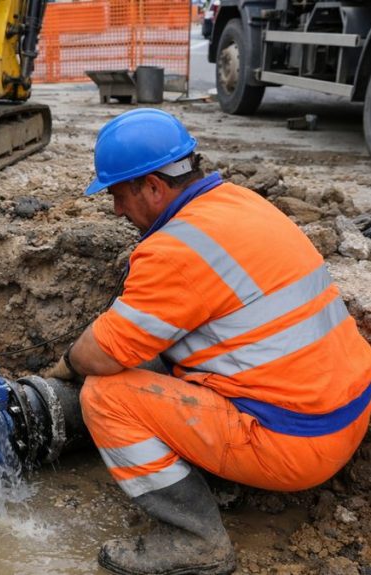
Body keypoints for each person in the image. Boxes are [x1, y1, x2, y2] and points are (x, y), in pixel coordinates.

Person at [47, 109, 371, 575]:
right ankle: (225, 479)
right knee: (162, 362)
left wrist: (66, 366)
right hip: (347, 411)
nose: (117, 210)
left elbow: (104, 352)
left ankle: (195, 540)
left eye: (118, 195)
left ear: (154, 187)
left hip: (297, 444)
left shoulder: (176, 250)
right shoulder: (237, 202)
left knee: (106, 395)